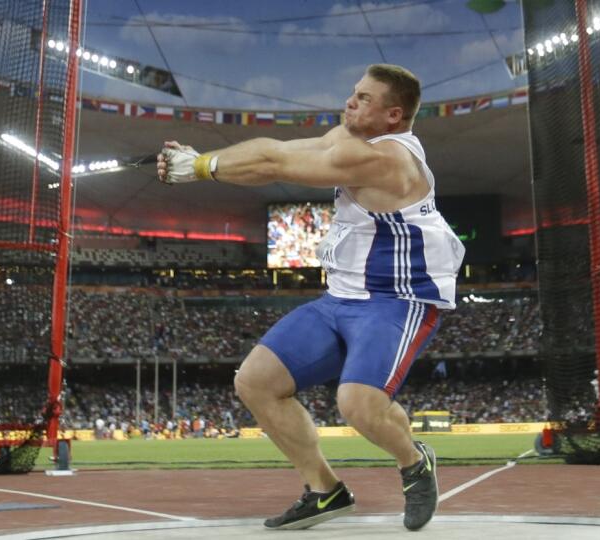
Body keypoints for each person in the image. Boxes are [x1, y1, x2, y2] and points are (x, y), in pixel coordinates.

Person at [156, 64, 465, 531]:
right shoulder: (348, 138)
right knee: (255, 382)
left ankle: (414, 462)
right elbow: (280, 149)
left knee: (358, 404)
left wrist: (201, 167)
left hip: (397, 300)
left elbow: (273, 164)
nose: (350, 101)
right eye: (353, 92)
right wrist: (203, 157)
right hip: (339, 299)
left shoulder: (389, 160)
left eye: (364, 98)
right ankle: (325, 491)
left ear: (393, 115)